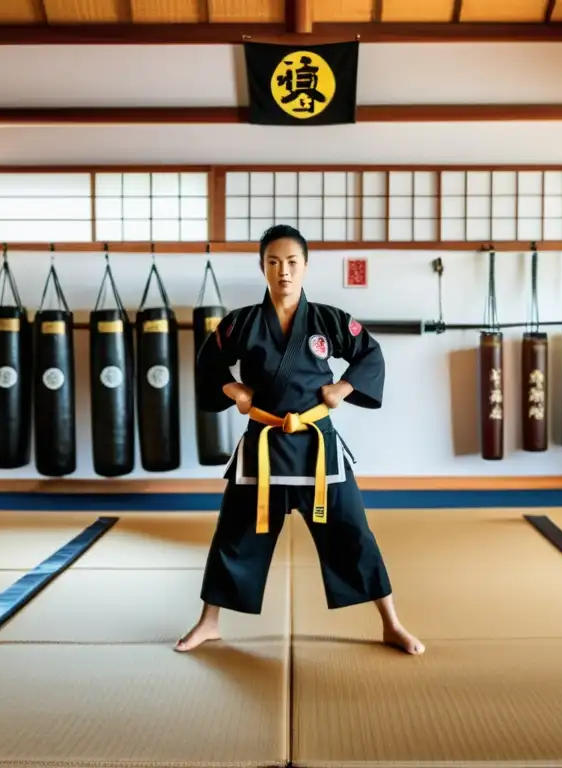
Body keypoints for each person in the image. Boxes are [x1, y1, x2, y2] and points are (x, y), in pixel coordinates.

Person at [175, 224, 424, 656]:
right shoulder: (241, 323)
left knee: (353, 533)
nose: (283, 272)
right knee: (234, 534)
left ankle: (391, 622)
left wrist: (341, 389)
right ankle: (208, 622)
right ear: (262, 268)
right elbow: (209, 363)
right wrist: (235, 390)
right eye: (274, 263)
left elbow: (370, 354)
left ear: (305, 267)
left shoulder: (329, 319)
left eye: (292, 263)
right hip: (264, 448)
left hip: (317, 448)